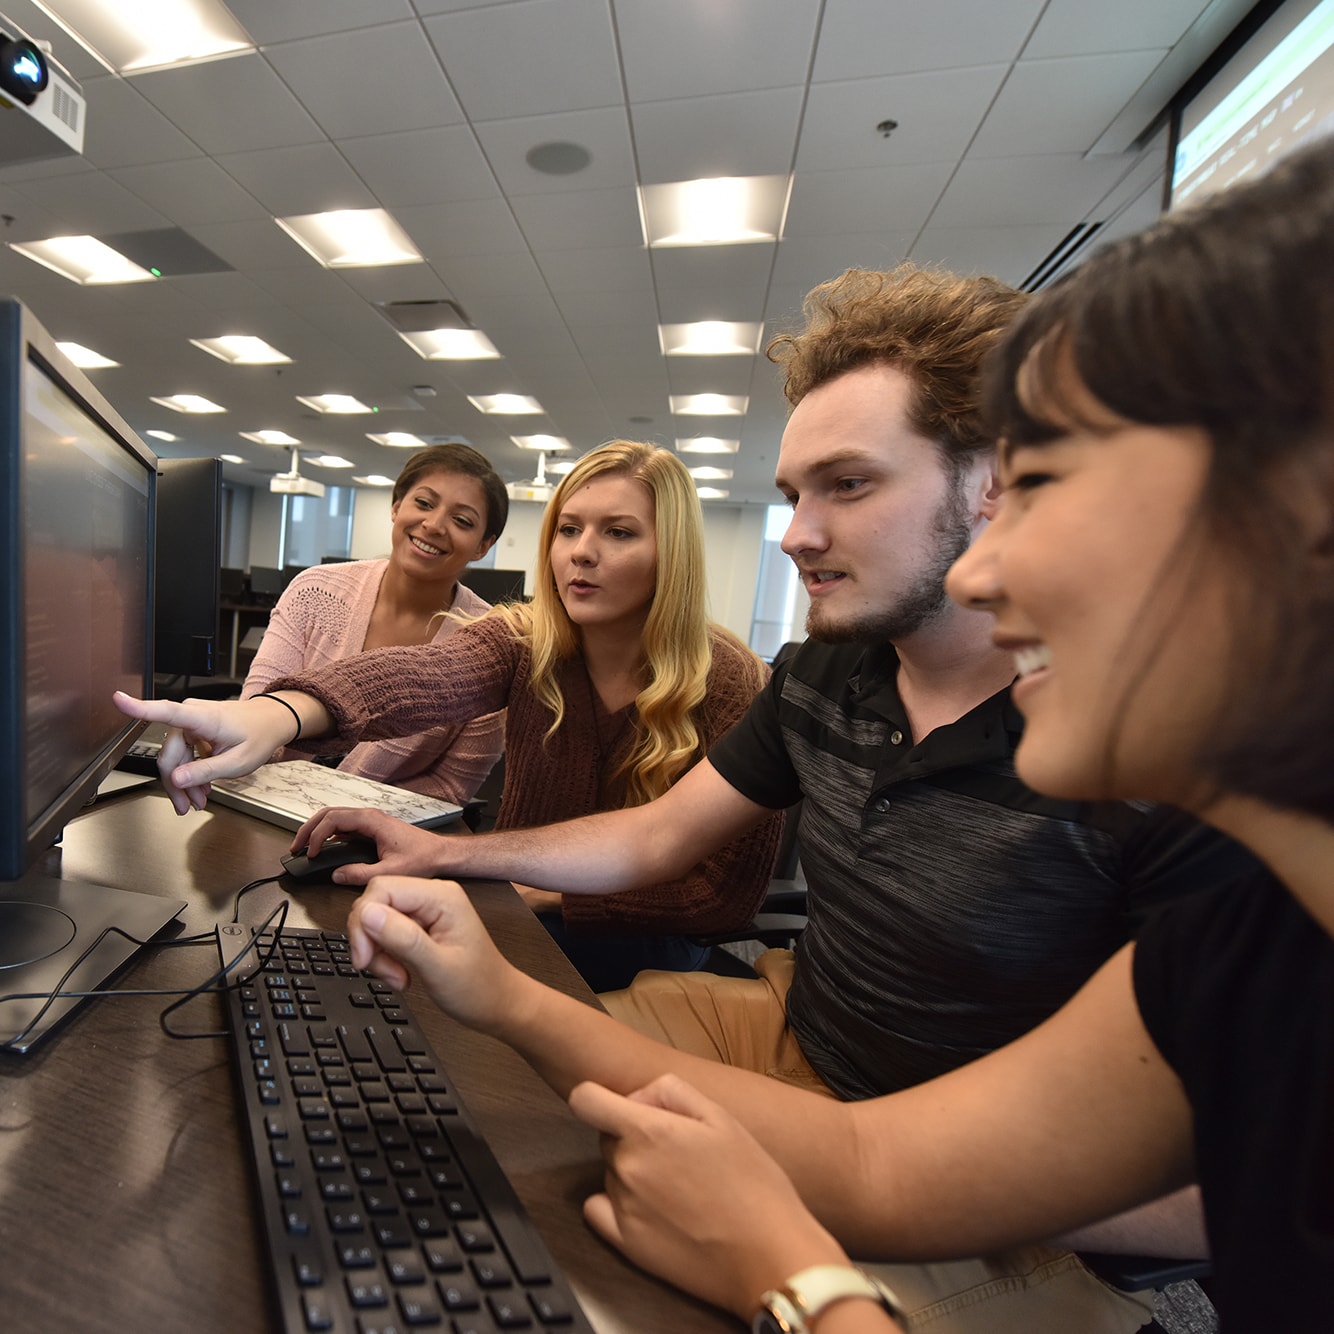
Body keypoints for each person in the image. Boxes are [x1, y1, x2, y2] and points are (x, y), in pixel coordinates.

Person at [144, 267, 1261, 1331]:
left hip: (984, 1166)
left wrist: (812, 1209)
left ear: (993, 481)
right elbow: (651, 829)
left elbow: (1199, 1176)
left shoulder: (1157, 750)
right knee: (464, 1101)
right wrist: (426, 840)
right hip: (793, 1025)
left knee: (575, 1221)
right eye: (790, 495)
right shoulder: (832, 666)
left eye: (849, 484)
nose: (796, 534)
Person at [343, 138, 1334, 1330]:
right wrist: (467, 913)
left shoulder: (1215, 851)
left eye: (1055, 486)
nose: (1001, 563)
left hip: (1009, 1200)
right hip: (831, 1066)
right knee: (469, 1129)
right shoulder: (1248, 931)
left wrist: (801, 1277)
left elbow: (956, 1177)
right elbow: (870, 1152)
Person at [116, 440, 782, 990]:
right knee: (341, 967)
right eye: (569, 529)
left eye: (619, 533)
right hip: (516, 910)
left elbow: (723, 897)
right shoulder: (525, 641)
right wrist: (277, 715)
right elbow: (415, 677)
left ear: (672, 555)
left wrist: (539, 891)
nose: (582, 551)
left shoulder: (730, 681)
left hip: (648, 948)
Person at [241, 443, 507, 804]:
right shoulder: (316, 590)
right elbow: (255, 713)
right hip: (260, 805)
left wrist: (351, 814)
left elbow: (451, 787)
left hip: (375, 844)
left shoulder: (491, 647)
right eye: (424, 503)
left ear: (483, 546)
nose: (433, 525)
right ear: (396, 507)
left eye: (462, 521)